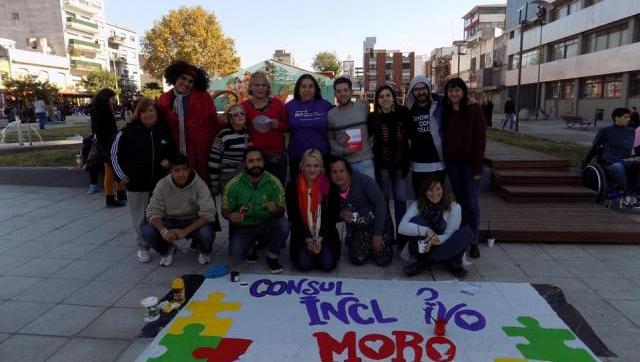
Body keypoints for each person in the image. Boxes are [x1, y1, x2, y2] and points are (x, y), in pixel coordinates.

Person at [111, 98, 177, 263]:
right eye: (144, 111)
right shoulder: (127, 131)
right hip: (137, 185)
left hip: (160, 184)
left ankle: (164, 244)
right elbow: (114, 155)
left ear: (156, 112)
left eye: (151, 110)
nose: (148, 114)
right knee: (140, 219)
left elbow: (174, 151)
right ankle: (143, 247)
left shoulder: (164, 130)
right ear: (138, 114)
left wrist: (169, 160)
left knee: (160, 216)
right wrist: (122, 176)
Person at [142, 154, 218, 266]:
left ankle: (203, 251)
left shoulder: (199, 184)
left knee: (207, 232)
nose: (181, 174)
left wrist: (185, 231)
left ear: (189, 169)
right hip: (169, 220)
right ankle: (167, 250)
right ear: (170, 172)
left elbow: (209, 213)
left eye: (184, 169)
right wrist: (163, 230)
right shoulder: (162, 184)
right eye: (176, 170)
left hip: (192, 220)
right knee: (146, 230)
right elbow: (152, 211)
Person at [222, 147, 289, 273]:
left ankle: (272, 255)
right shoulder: (233, 184)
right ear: (244, 164)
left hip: (265, 225)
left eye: (259, 160)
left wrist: (276, 208)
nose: (256, 164)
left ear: (264, 162)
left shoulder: (274, 182)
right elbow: (225, 211)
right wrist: (230, 216)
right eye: (251, 161)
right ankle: (251, 247)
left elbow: (281, 211)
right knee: (236, 254)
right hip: (243, 227)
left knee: (284, 224)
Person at [442, 77, 486, 259]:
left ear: (463, 91)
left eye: (457, 90)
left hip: (470, 165)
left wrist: (477, 169)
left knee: (472, 204)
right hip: (452, 164)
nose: (454, 93)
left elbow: (480, 141)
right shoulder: (445, 111)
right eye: (450, 90)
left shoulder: (474, 110)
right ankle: (463, 237)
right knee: (459, 204)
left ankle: (474, 239)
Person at [157, 60, 221, 182]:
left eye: (190, 81)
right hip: (174, 152)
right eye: (183, 78)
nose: (186, 83)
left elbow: (214, 121)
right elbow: (158, 124)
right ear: (175, 77)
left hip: (200, 151)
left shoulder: (203, 97)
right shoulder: (164, 99)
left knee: (201, 188)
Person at [398, 175, 472, 278]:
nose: (435, 193)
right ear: (425, 192)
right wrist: (426, 230)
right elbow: (401, 228)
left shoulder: (454, 207)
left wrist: (435, 239)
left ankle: (425, 262)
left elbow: (449, 235)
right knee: (416, 221)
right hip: (423, 248)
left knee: (466, 233)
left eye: (438, 189)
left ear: (443, 189)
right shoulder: (418, 204)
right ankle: (447, 261)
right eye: (430, 190)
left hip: (444, 244)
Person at [329, 157, 393, 266]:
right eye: (334, 172)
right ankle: (363, 243)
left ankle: (380, 242)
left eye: (341, 171)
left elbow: (381, 205)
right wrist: (340, 215)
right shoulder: (331, 190)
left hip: (376, 223)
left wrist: (378, 234)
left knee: (383, 260)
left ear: (348, 172)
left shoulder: (364, 182)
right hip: (359, 226)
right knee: (357, 258)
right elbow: (330, 214)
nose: (338, 175)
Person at [368, 84, 411, 238]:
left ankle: (402, 235)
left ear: (393, 97)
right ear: (377, 100)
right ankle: (386, 233)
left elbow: (412, 133)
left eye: (388, 95)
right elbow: (367, 137)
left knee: (400, 199)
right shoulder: (373, 118)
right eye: (381, 96)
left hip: (400, 165)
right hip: (383, 166)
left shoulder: (403, 113)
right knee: (383, 200)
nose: (385, 99)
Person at [287, 150, 340, 272]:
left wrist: (320, 239)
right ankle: (311, 252)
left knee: (327, 265)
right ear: (302, 167)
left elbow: (331, 218)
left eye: (316, 166)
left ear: (321, 167)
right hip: (303, 235)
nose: (312, 170)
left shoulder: (328, 185)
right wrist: (308, 239)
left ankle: (319, 251)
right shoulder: (293, 187)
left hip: (325, 235)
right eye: (308, 166)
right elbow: (293, 218)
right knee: (304, 266)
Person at [583, 108, 639, 207]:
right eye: (626, 117)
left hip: (627, 161)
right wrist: (584, 163)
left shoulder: (632, 131)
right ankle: (626, 193)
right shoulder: (605, 131)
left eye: (629, 117)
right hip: (610, 162)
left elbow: (633, 149)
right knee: (618, 167)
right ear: (617, 118)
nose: (629, 119)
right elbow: (594, 148)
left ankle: (635, 193)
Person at [241, 71, 289, 185]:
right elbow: (239, 128)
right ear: (251, 88)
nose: (260, 88)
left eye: (263, 85)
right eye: (256, 85)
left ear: (268, 88)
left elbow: (288, 126)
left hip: (276, 157)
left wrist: (279, 125)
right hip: (254, 158)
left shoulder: (277, 104)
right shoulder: (244, 106)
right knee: (255, 191)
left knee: (277, 189)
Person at [404, 76, 446, 197]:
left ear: (429, 88)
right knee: (420, 200)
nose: (421, 92)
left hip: (438, 163)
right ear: (412, 91)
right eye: (416, 89)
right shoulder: (408, 110)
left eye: (423, 88)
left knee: (438, 199)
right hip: (418, 165)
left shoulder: (440, 105)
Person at [286, 74, 334, 177]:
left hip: (322, 159)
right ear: (298, 89)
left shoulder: (326, 105)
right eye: (303, 86)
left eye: (311, 86)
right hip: (298, 159)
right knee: (299, 191)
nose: (307, 89)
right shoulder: (289, 107)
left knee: (322, 191)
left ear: (316, 89)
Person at [327, 77, 375, 179]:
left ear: (351, 91)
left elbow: (373, 129)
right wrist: (342, 150)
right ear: (335, 94)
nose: (342, 94)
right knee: (349, 194)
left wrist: (371, 144)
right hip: (344, 164)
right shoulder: (330, 115)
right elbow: (330, 138)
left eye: (345, 90)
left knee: (370, 193)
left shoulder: (363, 108)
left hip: (365, 161)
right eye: (339, 91)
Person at [90, 88, 126, 207]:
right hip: (108, 144)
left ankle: (119, 194)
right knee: (110, 171)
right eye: (112, 99)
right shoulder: (103, 111)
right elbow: (106, 130)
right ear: (106, 98)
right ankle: (110, 198)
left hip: (106, 143)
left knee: (112, 170)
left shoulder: (98, 110)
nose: (114, 101)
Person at [208, 104, 250, 196]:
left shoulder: (247, 133)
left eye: (242, 113)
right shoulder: (224, 134)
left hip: (245, 177)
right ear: (230, 119)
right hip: (228, 177)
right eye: (235, 114)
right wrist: (214, 184)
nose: (240, 116)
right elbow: (214, 159)